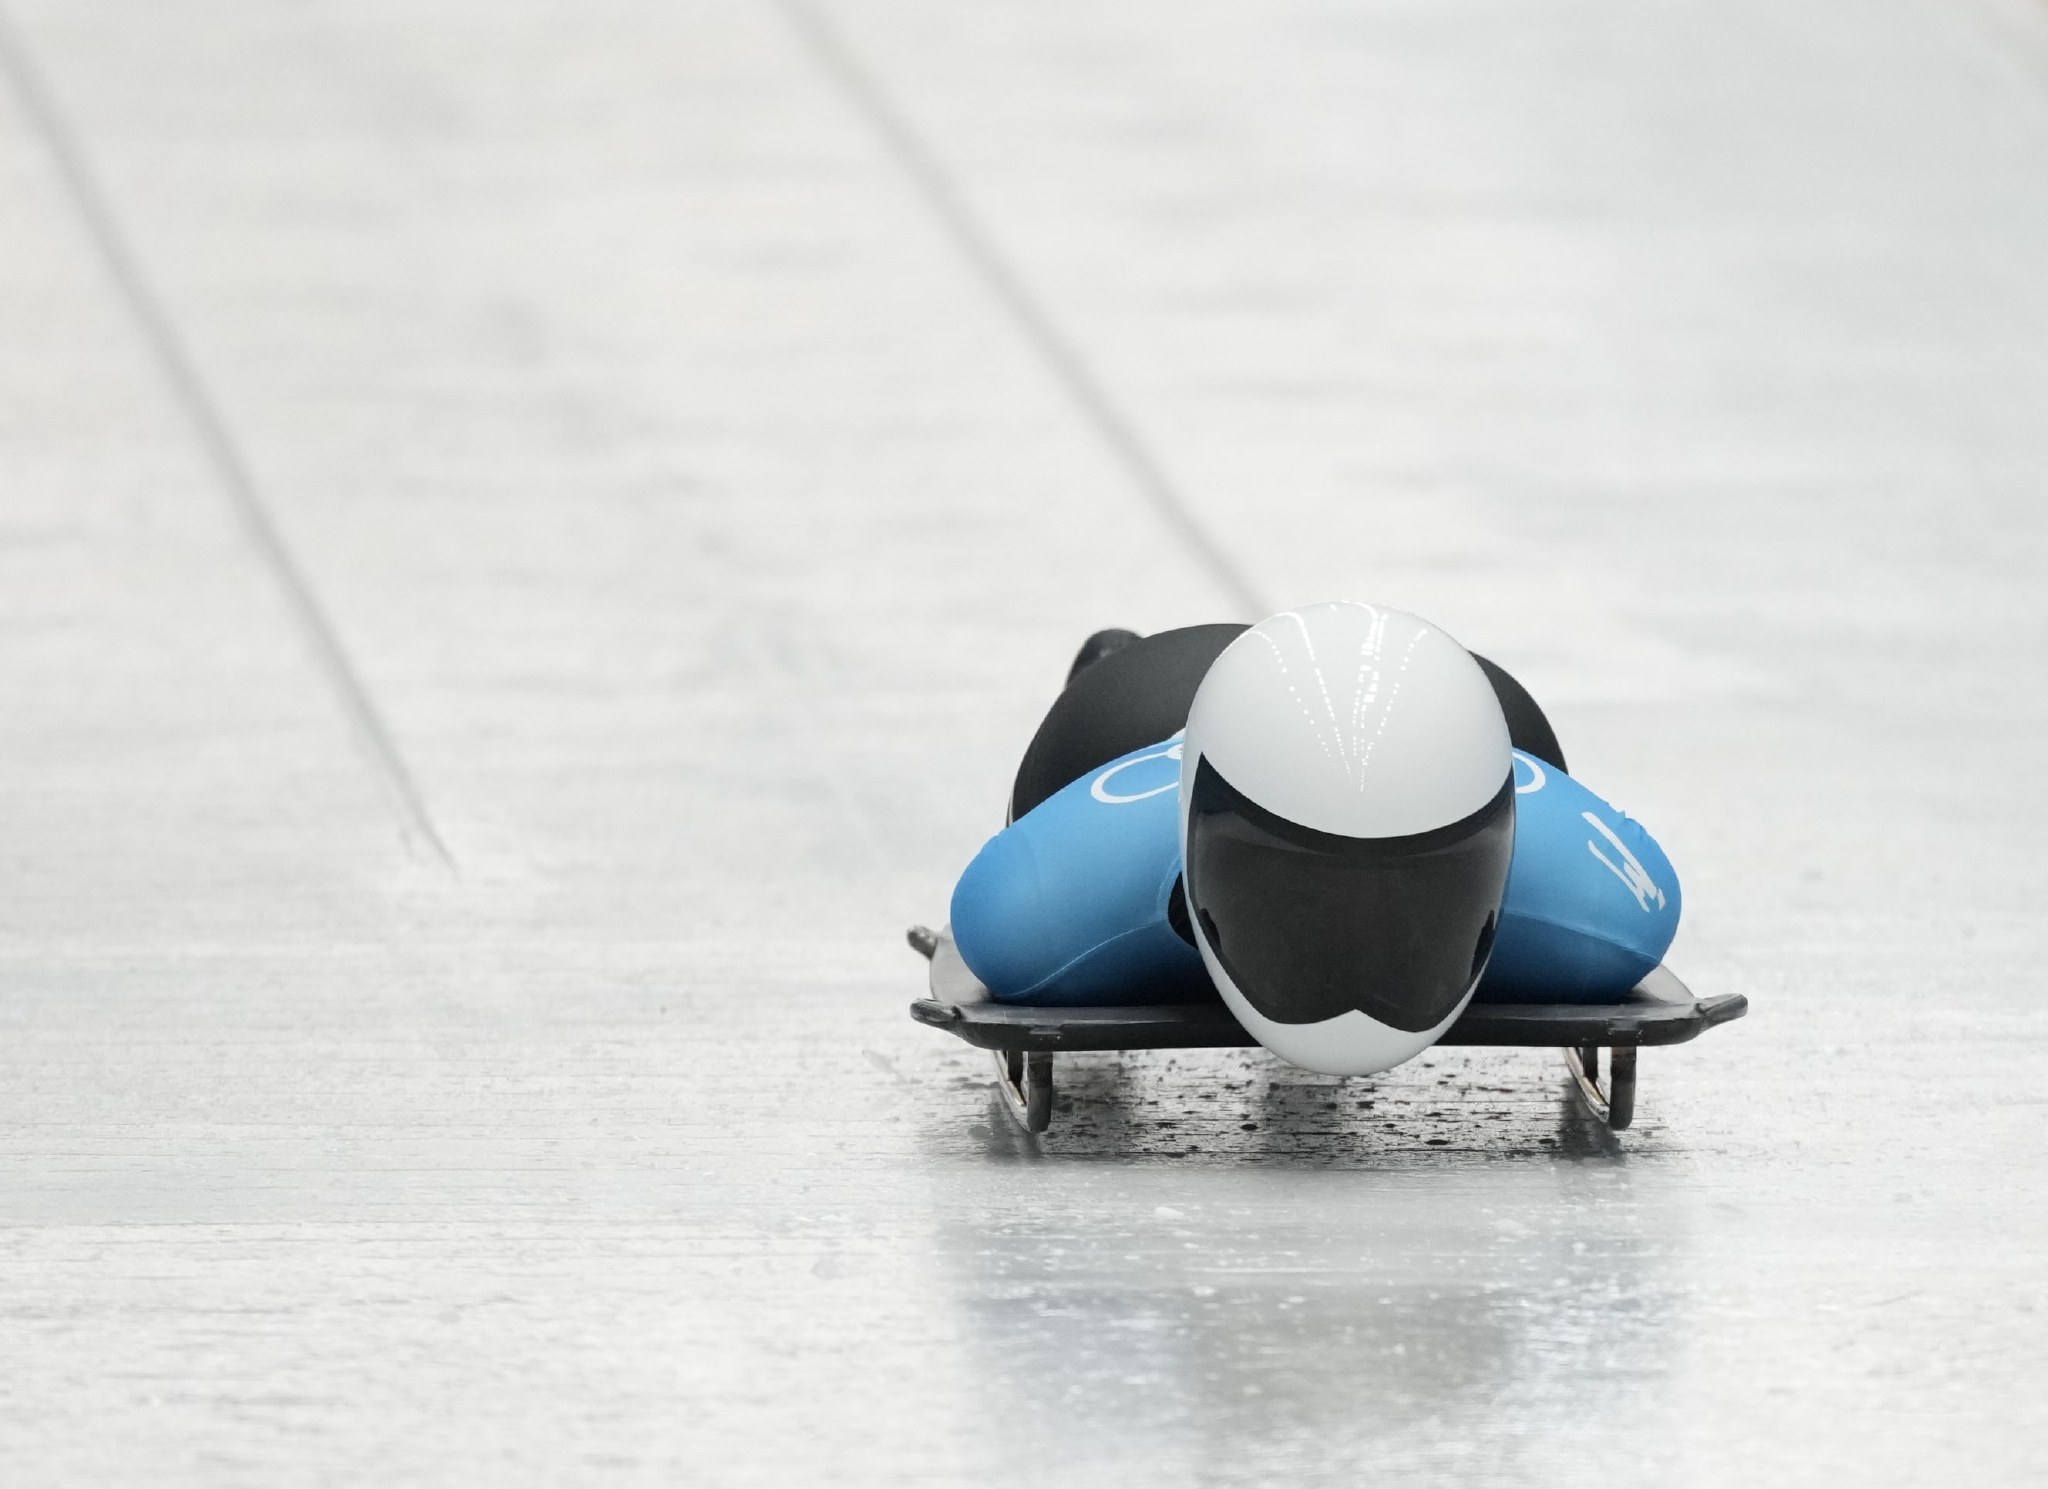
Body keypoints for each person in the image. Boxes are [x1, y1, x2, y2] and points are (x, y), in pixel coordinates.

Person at [949, 603, 1682, 1075]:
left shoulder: (1025, 924)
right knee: (1085, 739)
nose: (1356, 953)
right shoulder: (1612, 920)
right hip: (1147, 715)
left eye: (1411, 887)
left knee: (1511, 717)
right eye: (1296, 890)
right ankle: (1113, 664)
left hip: (1449, 741)